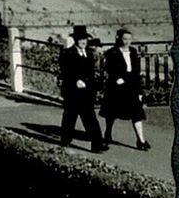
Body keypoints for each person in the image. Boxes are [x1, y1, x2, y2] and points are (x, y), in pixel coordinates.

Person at [60, 24, 107, 152]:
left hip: (86, 92)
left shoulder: (89, 54)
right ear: (75, 40)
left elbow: (90, 74)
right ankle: (65, 139)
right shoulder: (68, 53)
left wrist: (93, 88)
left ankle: (97, 144)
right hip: (72, 91)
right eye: (81, 40)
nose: (83, 42)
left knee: (89, 116)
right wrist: (75, 81)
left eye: (85, 40)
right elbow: (65, 72)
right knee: (71, 116)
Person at [102, 27, 151, 150]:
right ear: (118, 39)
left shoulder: (133, 52)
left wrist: (139, 91)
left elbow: (136, 72)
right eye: (125, 39)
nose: (127, 42)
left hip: (131, 85)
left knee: (137, 113)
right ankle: (107, 134)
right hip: (117, 87)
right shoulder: (111, 52)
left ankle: (141, 140)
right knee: (111, 112)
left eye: (130, 39)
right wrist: (116, 78)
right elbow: (109, 68)